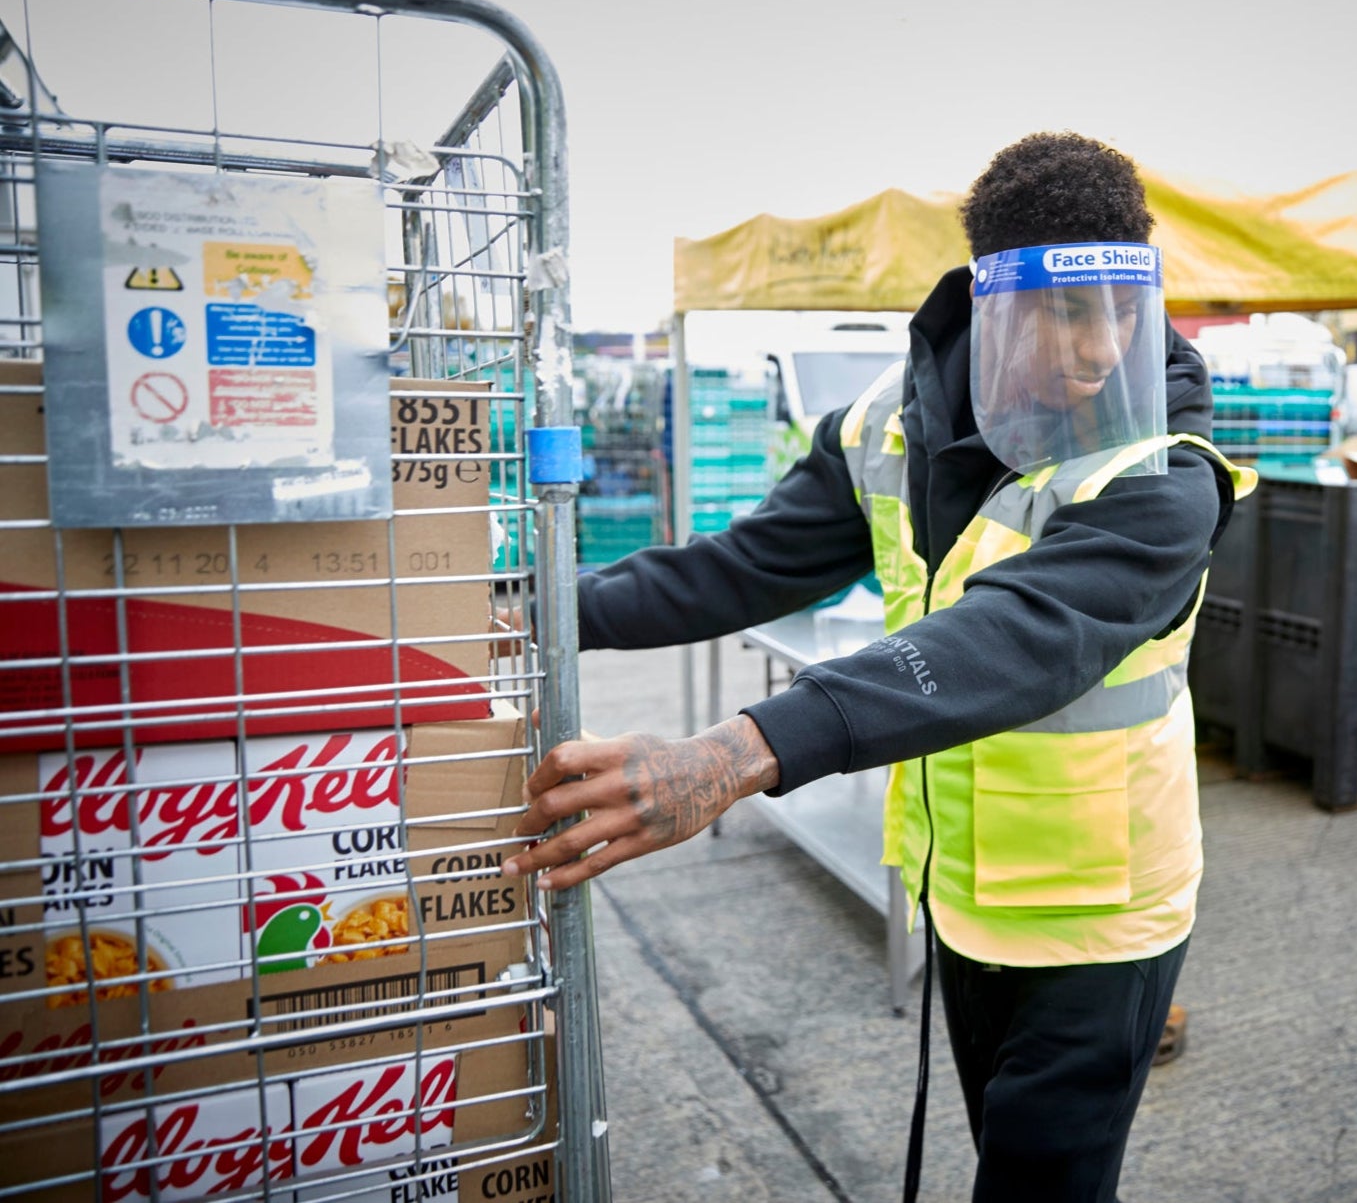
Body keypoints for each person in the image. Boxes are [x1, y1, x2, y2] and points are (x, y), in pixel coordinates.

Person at [503, 130, 1255, 1201]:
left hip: (1103, 911)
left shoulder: (1164, 470)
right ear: (991, 297)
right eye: (1066, 308)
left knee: (1044, 1181)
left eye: (1123, 307)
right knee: (1006, 1148)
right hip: (961, 890)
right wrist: (535, 611)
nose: (1101, 346)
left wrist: (740, 750)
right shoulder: (887, 428)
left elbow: (1019, 632)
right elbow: (746, 564)